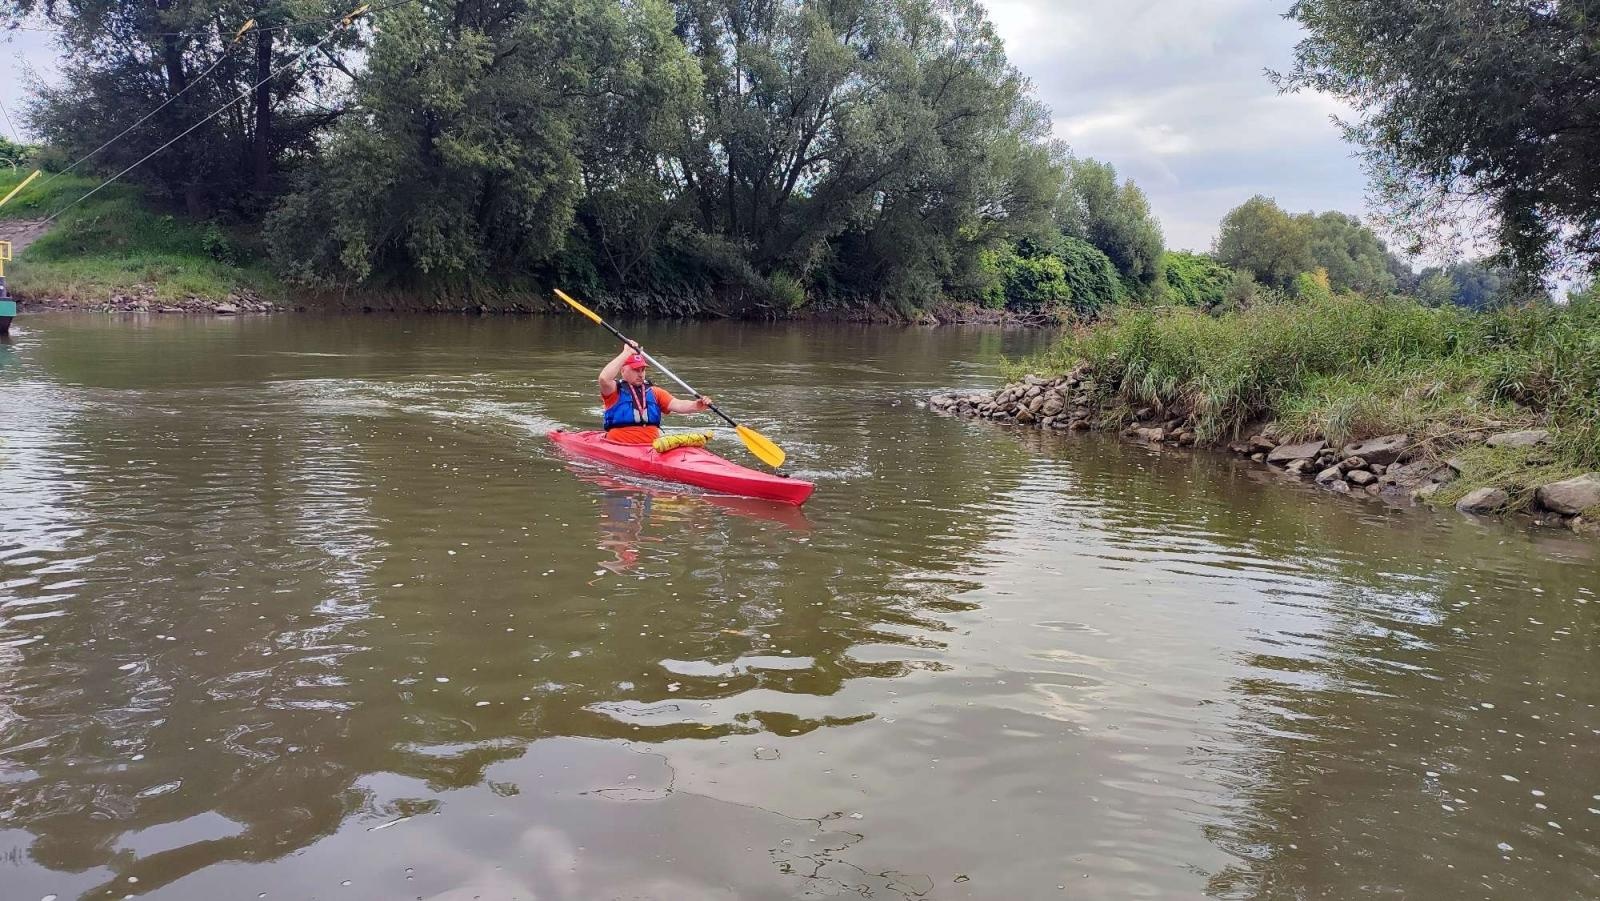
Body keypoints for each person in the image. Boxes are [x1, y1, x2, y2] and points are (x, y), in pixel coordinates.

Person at [598, 343, 711, 444]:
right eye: (636, 370)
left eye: (643, 370)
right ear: (623, 371)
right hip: (619, 445)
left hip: (651, 447)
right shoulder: (614, 390)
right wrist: (626, 353)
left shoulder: (655, 392)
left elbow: (679, 405)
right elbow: (604, 378)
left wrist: (696, 405)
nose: (641, 374)